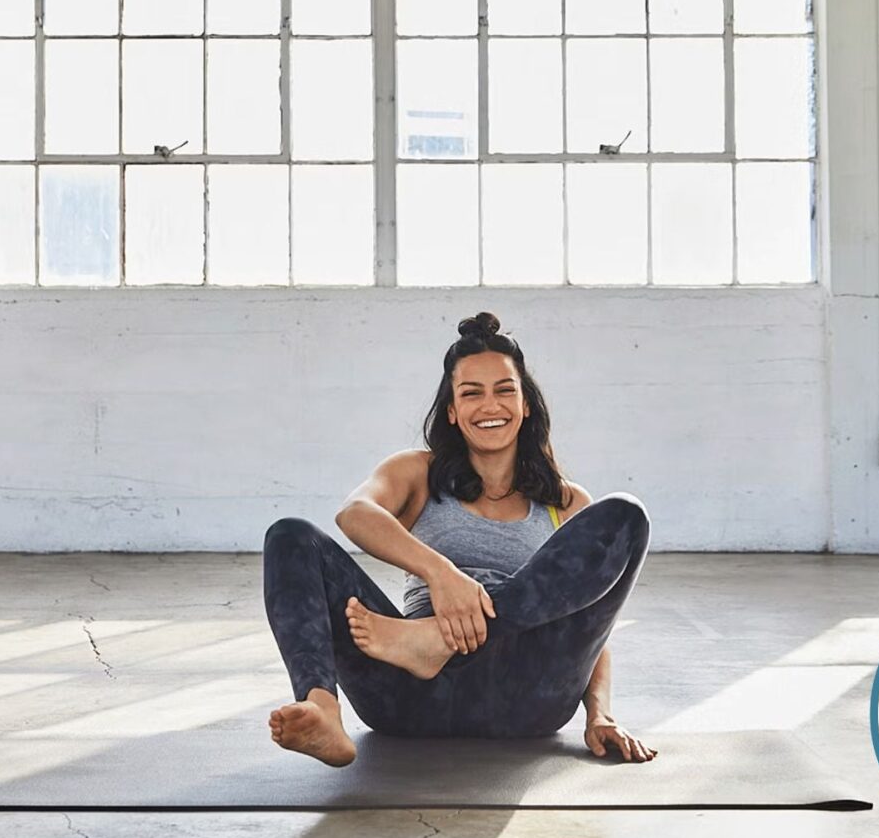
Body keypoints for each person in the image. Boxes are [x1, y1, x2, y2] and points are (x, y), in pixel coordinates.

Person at [261, 311, 658, 767]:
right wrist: (440, 574)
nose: (490, 406)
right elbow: (354, 514)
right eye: (472, 393)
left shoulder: (565, 501)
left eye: (505, 390)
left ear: (525, 403)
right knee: (290, 536)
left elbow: (592, 627)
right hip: (408, 695)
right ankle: (323, 711)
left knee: (626, 516)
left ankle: (437, 641)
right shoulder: (417, 472)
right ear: (452, 411)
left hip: (526, 695)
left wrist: (600, 715)